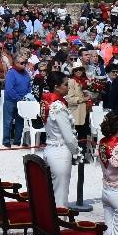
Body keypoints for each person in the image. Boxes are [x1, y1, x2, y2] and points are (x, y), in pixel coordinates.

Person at [40, 71, 79, 205]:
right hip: (60, 150)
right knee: (60, 197)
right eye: (66, 84)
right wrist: (77, 153)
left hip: (50, 147)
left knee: (51, 194)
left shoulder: (47, 101)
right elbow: (68, 137)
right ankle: (60, 225)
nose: (68, 87)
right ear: (56, 87)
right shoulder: (58, 106)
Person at [3, 51, 32, 147]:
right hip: (11, 100)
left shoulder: (26, 73)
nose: (24, 65)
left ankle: (17, 141)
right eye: (22, 63)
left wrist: (25, 97)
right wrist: (19, 98)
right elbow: (9, 89)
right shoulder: (11, 73)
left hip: (22, 101)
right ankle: (6, 141)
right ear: (15, 63)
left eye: (25, 63)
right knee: (8, 121)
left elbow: (29, 86)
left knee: (20, 122)